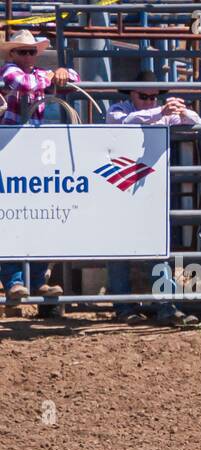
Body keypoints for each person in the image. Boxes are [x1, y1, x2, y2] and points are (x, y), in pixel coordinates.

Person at [104, 70, 201, 325]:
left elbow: (196, 122)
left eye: (153, 97)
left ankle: (165, 305)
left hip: (149, 189)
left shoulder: (161, 114)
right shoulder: (121, 109)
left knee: (157, 248)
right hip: (120, 186)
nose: (149, 101)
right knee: (119, 248)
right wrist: (160, 113)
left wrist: (181, 111)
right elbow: (121, 122)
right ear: (132, 95)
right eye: (144, 96)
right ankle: (125, 307)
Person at [1, 29, 79, 317]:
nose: (27, 56)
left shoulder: (34, 73)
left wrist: (62, 72)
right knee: (11, 217)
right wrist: (53, 76)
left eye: (31, 52)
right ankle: (15, 282)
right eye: (22, 52)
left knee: (35, 215)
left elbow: (75, 78)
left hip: (29, 153)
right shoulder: (8, 72)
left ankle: (33, 282)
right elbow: (19, 82)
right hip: (8, 152)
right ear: (12, 54)